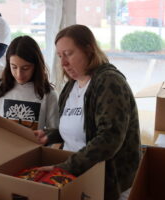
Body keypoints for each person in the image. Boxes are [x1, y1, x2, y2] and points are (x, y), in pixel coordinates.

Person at [34, 24, 141, 200]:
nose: (63, 63)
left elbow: (109, 138)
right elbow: (78, 128)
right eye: (60, 56)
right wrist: (49, 136)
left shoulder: (109, 82)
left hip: (106, 182)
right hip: (76, 176)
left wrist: (65, 167)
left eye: (68, 54)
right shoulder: (71, 86)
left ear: (89, 50)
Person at [0, 35, 59, 130]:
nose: (19, 74)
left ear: (36, 66)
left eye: (25, 68)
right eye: (14, 67)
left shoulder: (49, 93)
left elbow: (53, 130)